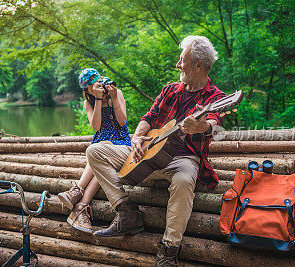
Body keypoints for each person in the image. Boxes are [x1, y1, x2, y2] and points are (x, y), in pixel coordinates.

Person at [86, 35, 226, 266]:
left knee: (183, 181)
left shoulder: (215, 98)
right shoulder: (170, 89)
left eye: (182, 60)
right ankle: (127, 212)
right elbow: (148, 118)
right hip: (149, 155)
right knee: (95, 151)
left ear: (198, 65)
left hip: (183, 159)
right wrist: (139, 138)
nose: (178, 65)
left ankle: (169, 250)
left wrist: (200, 126)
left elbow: (212, 123)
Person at [58, 68, 131, 234]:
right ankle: (80, 207)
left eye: (98, 82)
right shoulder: (88, 102)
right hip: (100, 144)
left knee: (100, 151)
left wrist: (112, 97)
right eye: (93, 87)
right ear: (88, 90)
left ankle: (76, 191)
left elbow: (122, 121)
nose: (98, 86)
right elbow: (96, 126)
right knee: (100, 157)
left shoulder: (116, 92)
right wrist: (98, 100)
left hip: (120, 142)